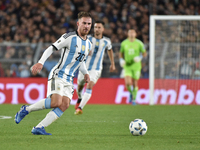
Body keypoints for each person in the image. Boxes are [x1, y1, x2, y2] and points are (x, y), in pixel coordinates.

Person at [14, 12, 92, 135]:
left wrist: (86, 73)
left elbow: (81, 61)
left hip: (70, 79)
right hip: (59, 74)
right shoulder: (69, 37)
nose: (86, 26)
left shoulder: (89, 44)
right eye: (84, 23)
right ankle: (26, 109)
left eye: (89, 24)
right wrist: (40, 62)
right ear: (78, 24)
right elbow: (51, 48)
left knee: (65, 105)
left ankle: (39, 127)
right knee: (56, 102)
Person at [74, 20, 116, 115]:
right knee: (79, 87)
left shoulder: (106, 41)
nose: (97, 29)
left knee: (90, 84)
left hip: (96, 69)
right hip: (83, 68)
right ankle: (80, 98)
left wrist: (112, 63)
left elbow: (110, 50)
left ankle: (80, 108)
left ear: (103, 29)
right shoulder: (87, 38)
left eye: (99, 27)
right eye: (96, 27)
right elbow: (79, 47)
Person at [119, 29, 147, 105]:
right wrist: (121, 59)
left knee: (135, 83)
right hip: (127, 65)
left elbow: (144, 54)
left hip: (136, 66)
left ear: (135, 34)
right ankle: (131, 93)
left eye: (133, 33)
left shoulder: (139, 43)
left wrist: (140, 57)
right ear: (128, 34)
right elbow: (121, 53)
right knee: (128, 83)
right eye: (130, 33)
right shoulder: (124, 43)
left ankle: (134, 100)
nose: (131, 34)